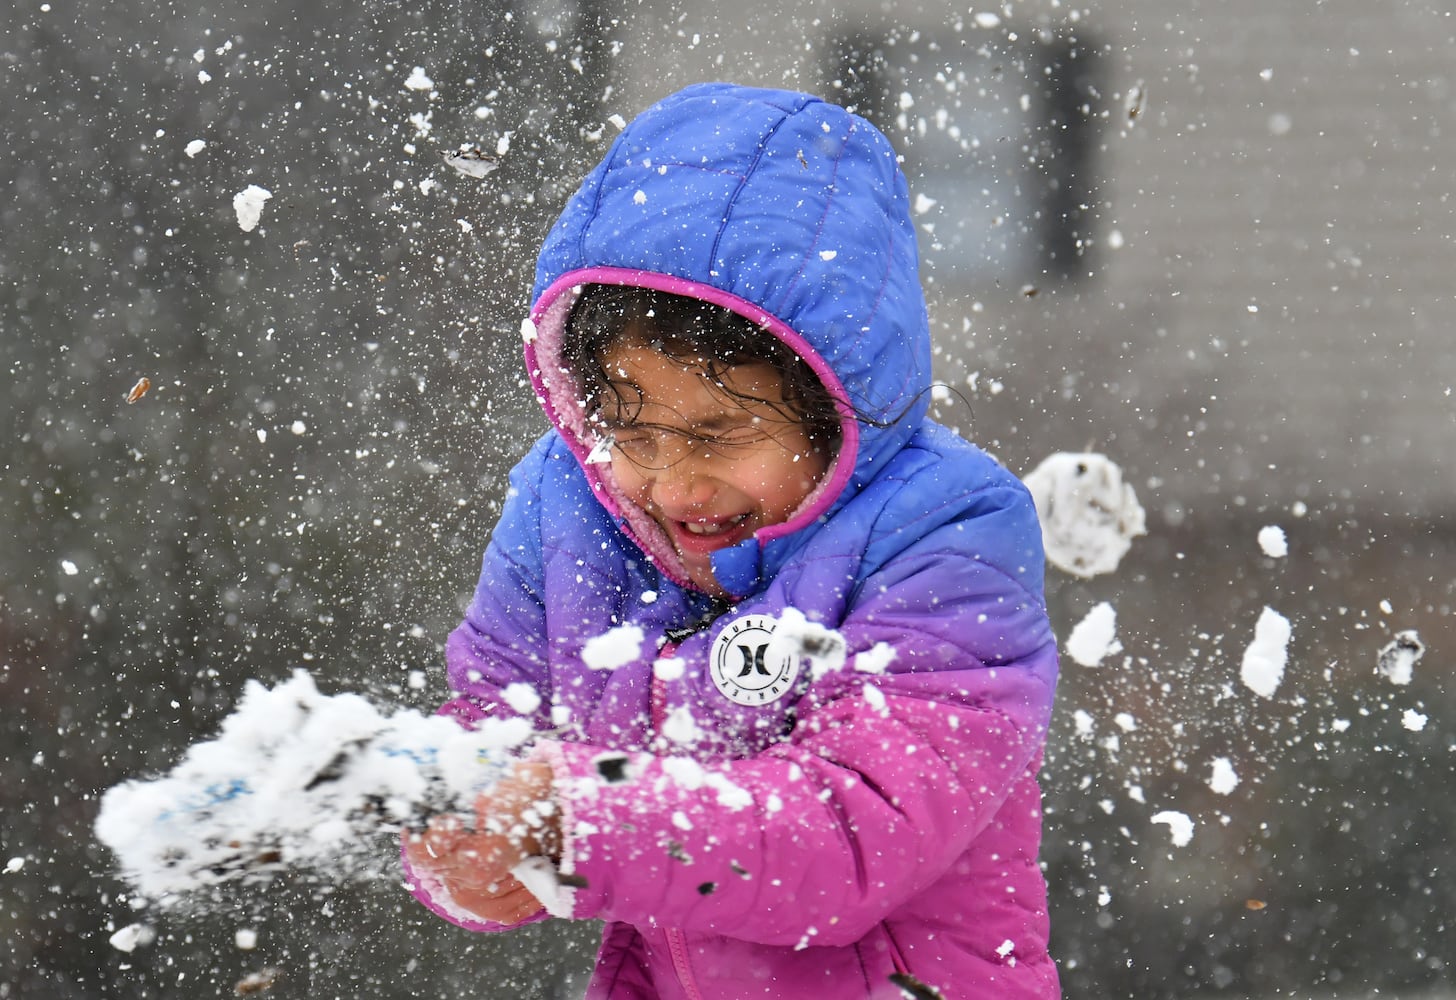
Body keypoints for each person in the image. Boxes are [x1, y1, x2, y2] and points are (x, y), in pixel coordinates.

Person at [403, 82, 1061, 1000]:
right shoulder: (569, 508)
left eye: (718, 436)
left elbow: (844, 839)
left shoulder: (946, 536)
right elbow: (491, 724)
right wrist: (465, 836)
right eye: (633, 435)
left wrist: (575, 821)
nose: (676, 484)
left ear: (838, 408)